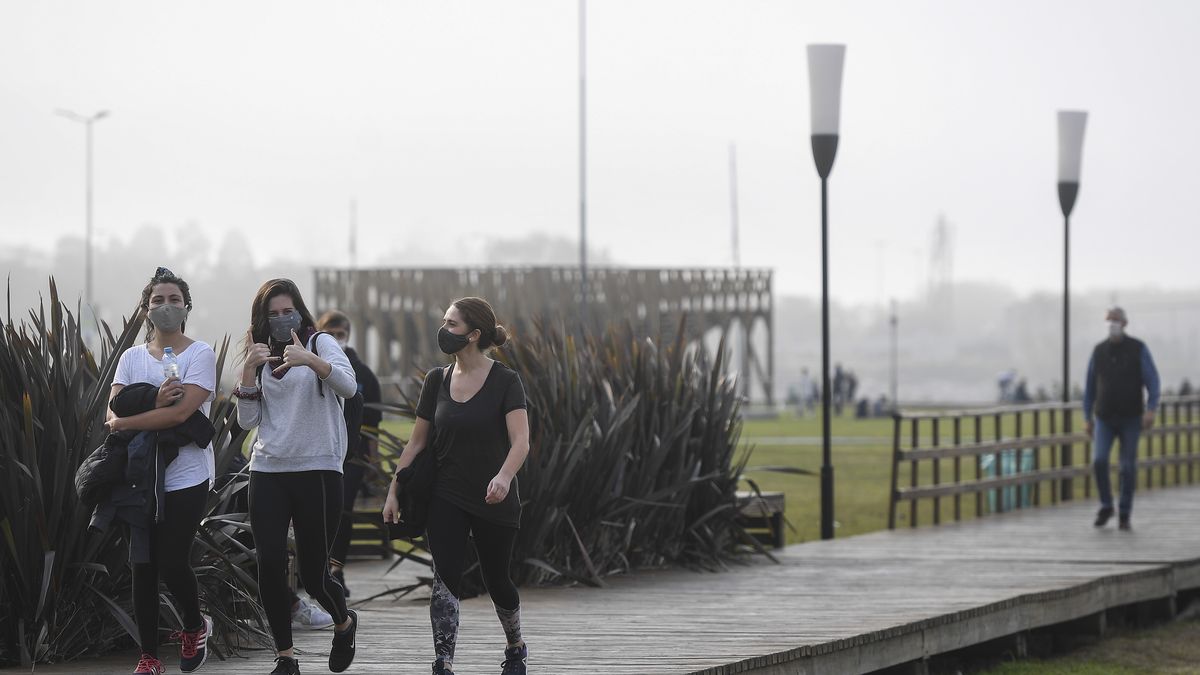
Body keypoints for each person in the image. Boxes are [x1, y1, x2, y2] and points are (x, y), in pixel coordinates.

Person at [383, 297, 531, 675]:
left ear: (474, 335)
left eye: (451, 324)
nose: (443, 330)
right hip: (445, 494)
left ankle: (515, 646)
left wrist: (503, 476)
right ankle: (443, 661)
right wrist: (393, 489)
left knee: (497, 580)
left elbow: (521, 441)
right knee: (445, 578)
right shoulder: (437, 380)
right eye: (444, 321)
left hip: (494, 497)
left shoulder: (505, 381)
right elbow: (416, 443)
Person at [235, 279, 359, 675]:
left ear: (300, 311)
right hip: (268, 469)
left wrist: (311, 360)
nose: (280, 318)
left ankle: (344, 623)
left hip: (318, 469)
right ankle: (285, 657)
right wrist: (249, 371)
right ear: (261, 318)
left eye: (286, 310)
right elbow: (248, 420)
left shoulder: (321, 342)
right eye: (271, 313)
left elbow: (349, 386)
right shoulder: (259, 353)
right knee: (269, 563)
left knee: (313, 574)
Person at [105, 268, 216, 675]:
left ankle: (194, 624)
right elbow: (113, 407)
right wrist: (151, 401)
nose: (165, 307)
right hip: (140, 476)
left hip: (187, 474)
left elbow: (182, 413)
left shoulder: (198, 354)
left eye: (173, 300)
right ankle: (149, 657)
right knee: (143, 565)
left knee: (172, 560)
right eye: (157, 300)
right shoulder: (131, 358)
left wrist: (128, 422)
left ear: (186, 306)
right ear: (145, 309)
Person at [316, 309, 383, 598]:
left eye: (340, 334)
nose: (336, 339)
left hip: (352, 455)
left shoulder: (364, 374)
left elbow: (374, 422)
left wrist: (373, 459)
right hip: (318, 451)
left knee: (342, 510)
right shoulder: (310, 366)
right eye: (330, 334)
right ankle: (317, 568)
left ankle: (336, 569)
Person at [1083, 307, 1161, 531]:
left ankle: (1124, 512)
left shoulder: (1138, 349)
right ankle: (1107, 504)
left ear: (1124, 323)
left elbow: (1152, 381)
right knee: (1098, 460)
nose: (1112, 325)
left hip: (1131, 418)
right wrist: (1087, 416)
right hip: (1104, 418)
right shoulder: (1098, 351)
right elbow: (1090, 387)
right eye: (1109, 321)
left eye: (1116, 321)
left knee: (1127, 466)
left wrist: (1151, 409)